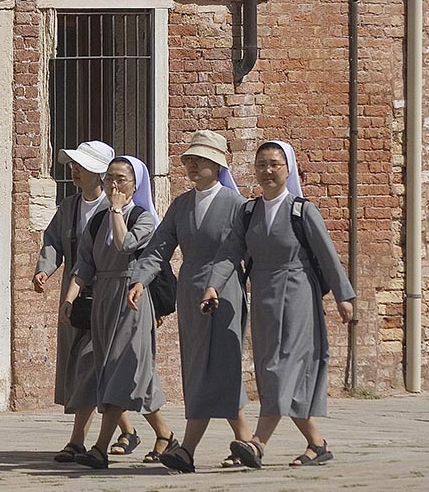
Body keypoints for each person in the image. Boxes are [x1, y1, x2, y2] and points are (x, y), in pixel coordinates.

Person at [201, 140, 356, 469]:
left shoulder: (302, 211)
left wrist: (344, 296)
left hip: (298, 295)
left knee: (279, 369)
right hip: (264, 300)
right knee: (275, 372)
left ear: (289, 169)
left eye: (275, 164)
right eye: (262, 165)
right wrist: (214, 285)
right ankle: (317, 444)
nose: (268, 171)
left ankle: (256, 444)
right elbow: (230, 252)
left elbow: (328, 256)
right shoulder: (248, 211)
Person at [127, 130, 254, 473]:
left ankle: (189, 450)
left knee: (219, 365)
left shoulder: (236, 205)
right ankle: (247, 442)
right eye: (189, 160)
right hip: (189, 294)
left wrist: (217, 283)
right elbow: (160, 247)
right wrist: (141, 279)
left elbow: (236, 252)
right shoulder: (181, 204)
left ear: (217, 164)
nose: (192, 166)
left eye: (199, 160)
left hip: (224, 293)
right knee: (202, 365)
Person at [61, 155, 177, 470]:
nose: (114, 185)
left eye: (121, 179)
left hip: (132, 299)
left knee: (119, 369)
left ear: (135, 185)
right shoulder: (98, 221)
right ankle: (165, 434)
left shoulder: (144, 218)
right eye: (110, 177)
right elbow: (84, 263)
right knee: (128, 372)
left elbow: (126, 245)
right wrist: (70, 299)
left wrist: (114, 208)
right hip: (103, 301)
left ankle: (99, 448)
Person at [32, 140, 140, 461]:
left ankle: (78, 440)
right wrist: (44, 270)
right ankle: (131, 430)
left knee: (90, 364)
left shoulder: (117, 211)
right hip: (76, 295)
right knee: (88, 365)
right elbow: (52, 242)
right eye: (74, 165)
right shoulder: (69, 207)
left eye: (82, 166)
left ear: (101, 174)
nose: (74, 170)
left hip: (108, 296)